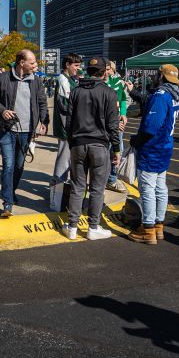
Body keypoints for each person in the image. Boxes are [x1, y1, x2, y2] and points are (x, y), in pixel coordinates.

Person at [62, 57, 120, 240]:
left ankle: (72, 227)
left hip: (78, 144)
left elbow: (69, 122)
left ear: (88, 71)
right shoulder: (109, 93)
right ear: (104, 73)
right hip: (99, 145)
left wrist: (72, 143)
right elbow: (113, 125)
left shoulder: (76, 91)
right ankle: (93, 227)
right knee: (97, 189)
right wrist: (116, 149)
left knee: (77, 187)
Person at [0, 48, 49, 219]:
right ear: (22, 63)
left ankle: (11, 191)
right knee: (8, 165)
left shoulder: (36, 81)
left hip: (27, 131)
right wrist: (2, 111)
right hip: (7, 129)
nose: (35, 65)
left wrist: (44, 121)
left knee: (19, 165)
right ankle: (7, 203)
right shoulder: (2, 78)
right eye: (32, 62)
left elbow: (42, 102)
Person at [128, 64, 179, 244]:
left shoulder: (161, 96)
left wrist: (137, 140)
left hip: (153, 148)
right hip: (165, 146)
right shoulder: (175, 95)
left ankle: (148, 228)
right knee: (160, 187)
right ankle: (158, 225)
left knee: (148, 189)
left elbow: (151, 126)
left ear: (161, 76)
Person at [49, 53, 82, 212]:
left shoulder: (70, 80)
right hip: (66, 129)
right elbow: (66, 106)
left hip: (69, 128)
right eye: (76, 65)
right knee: (62, 165)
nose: (78, 68)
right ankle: (56, 200)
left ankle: (60, 197)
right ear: (67, 64)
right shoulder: (62, 80)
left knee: (66, 164)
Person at [104, 60, 130, 191]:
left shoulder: (118, 83)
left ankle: (112, 179)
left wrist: (123, 114)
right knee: (104, 152)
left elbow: (123, 99)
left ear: (113, 70)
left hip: (117, 124)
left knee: (117, 150)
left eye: (109, 69)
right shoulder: (100, 83)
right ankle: (102, 179)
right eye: (105, 69)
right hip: (104, 125)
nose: (106, 71)